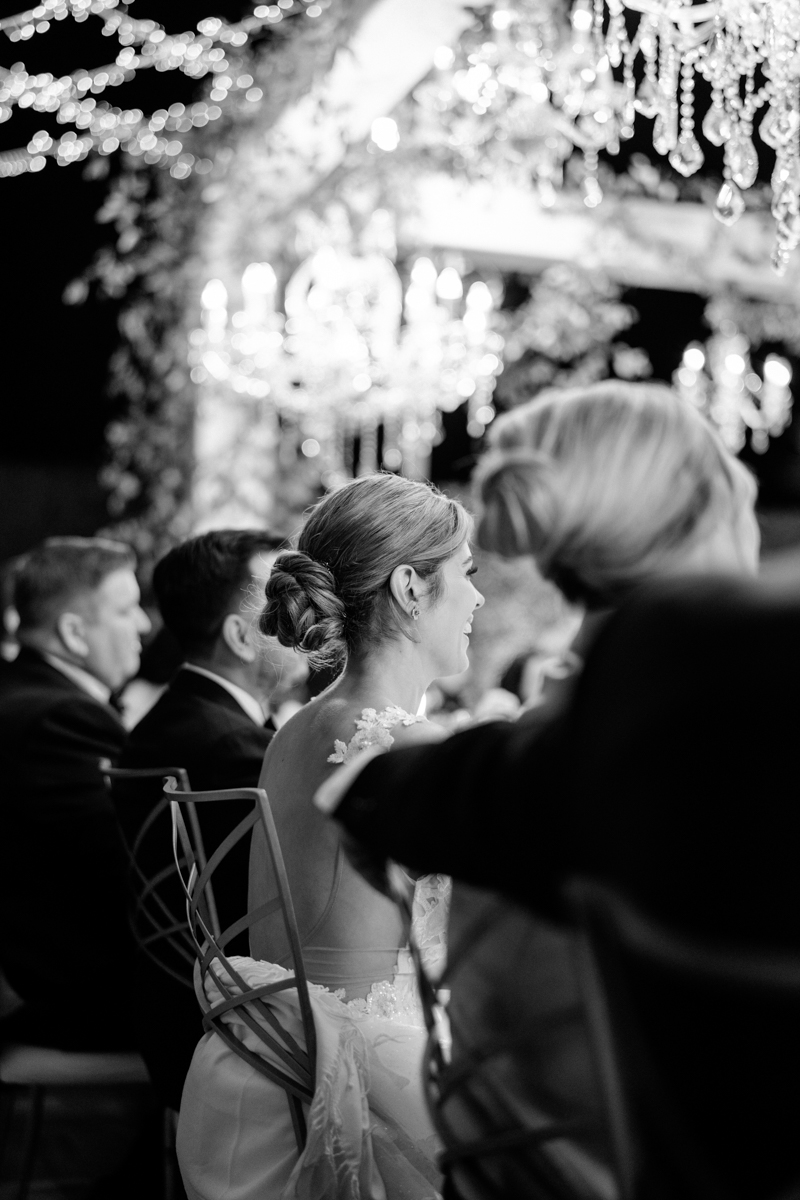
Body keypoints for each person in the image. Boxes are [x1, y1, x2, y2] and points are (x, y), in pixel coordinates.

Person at [319, 382, 763, 1200]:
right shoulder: (702, 712)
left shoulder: (499, 772)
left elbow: (366, 798)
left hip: (528, 1156)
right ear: (709, 509)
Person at [177, 473, 483, 1199]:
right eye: (467, 574)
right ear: (411, 588)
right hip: (357, 1086)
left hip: (263, 1059)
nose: (476, 600)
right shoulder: (401, 745)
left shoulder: (294, 730)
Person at [117, 528, 289, 1107]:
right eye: (284, 594)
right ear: (241, 636)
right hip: (228, 1032)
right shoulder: (237, 752)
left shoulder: (166, 726)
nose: (306, 611)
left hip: (163, 1009)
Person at [0, 536, 150, 1050]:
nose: (144, 625)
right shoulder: (59, 718)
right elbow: (125, 866)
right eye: (127, 610)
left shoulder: (24, 694)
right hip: (61, 995)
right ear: (73, 631)